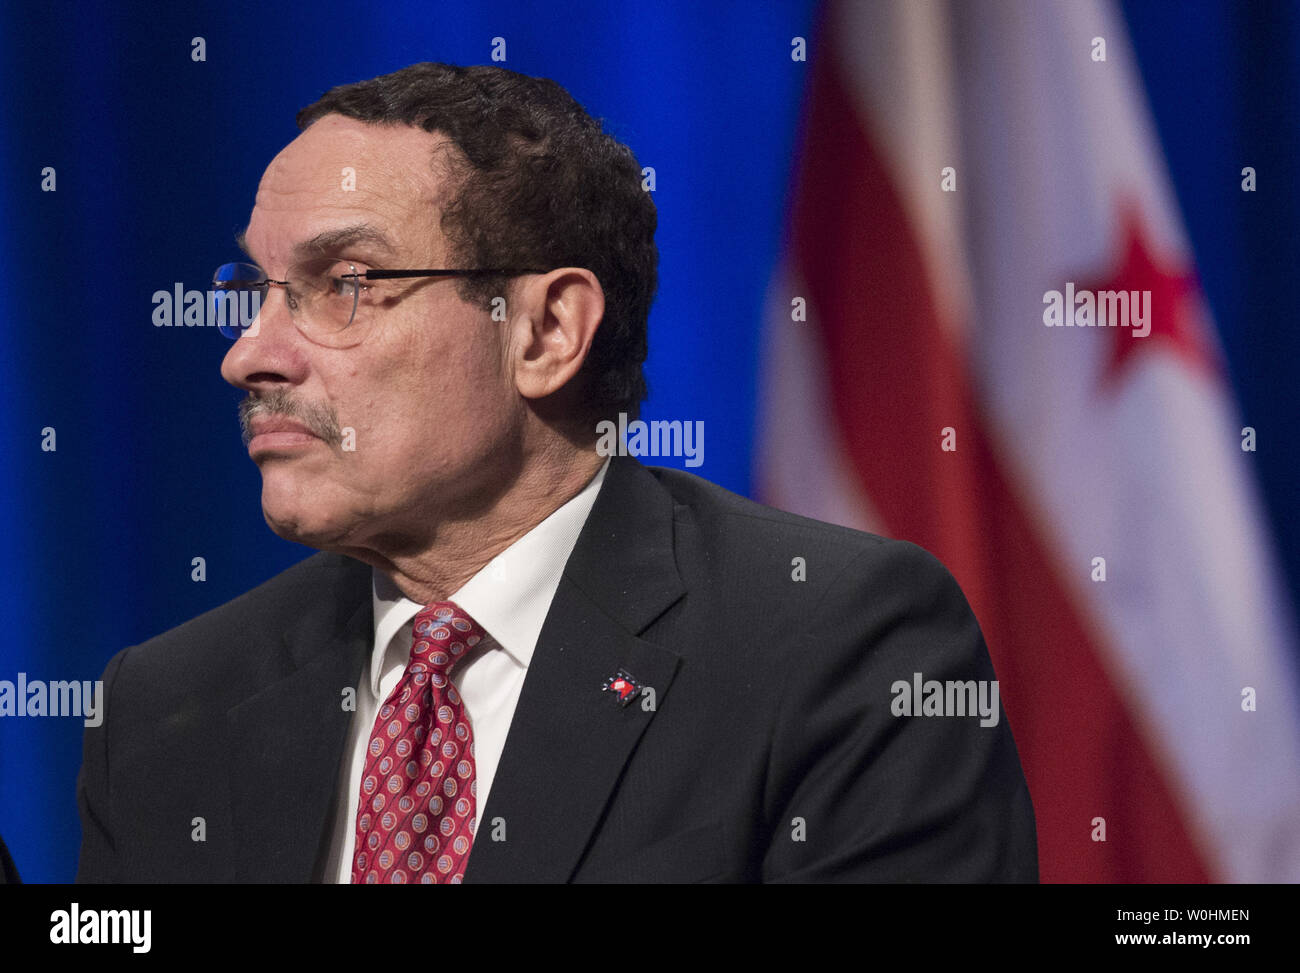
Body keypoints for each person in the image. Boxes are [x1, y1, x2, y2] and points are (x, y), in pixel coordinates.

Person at [76, 62, 1037, 883]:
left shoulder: (840, 650)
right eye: (256, 289)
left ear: (544, 331)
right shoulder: (166, 710)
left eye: (346, 285)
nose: (248, 354)